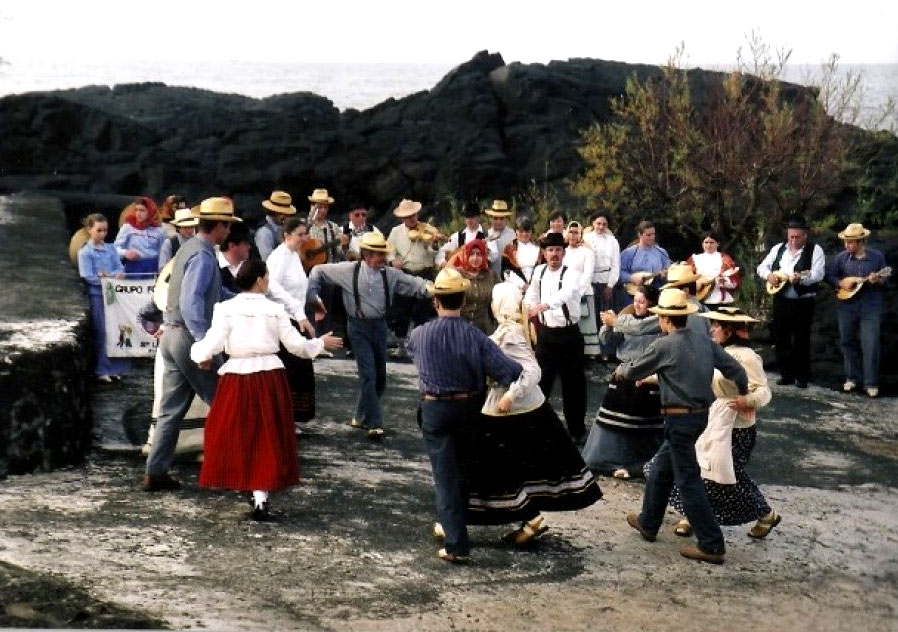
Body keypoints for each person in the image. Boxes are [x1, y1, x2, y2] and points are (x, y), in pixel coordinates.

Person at [189, 259, 341, 520]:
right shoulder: (274, 309)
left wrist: (200, 354)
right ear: (259, 279)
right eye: (267, 277)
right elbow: (296, 347)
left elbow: (211, 343)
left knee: (235, 432)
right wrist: (320, 343)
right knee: (267, 435)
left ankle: (248, 484)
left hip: (237, 376)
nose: (268, 281)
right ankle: (261, 494)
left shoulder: (225, 308)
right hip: (269, 375)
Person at [460, 283, 602, 545]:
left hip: (509, 408)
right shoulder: (510, 330)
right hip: (518, 408)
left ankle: (456, 520)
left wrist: (510, 395)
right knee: (514, 466)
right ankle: (529, 519)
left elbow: (533, 371)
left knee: (486, 465)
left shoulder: (511, 333)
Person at [616, 288, 748, 565]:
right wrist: (743, 394)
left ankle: (712, 544)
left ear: (664, 319)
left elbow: (633, 371)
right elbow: (736, 371)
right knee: (662, 468)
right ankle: (648, 522)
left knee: (688, 481)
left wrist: (621, 370)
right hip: (699, 416)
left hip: (678, 420)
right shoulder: (703, 341)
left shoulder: (665, 345)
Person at [406, 268, 523, 563]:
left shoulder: (418, 335)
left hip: (434, 407)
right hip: (469, 407)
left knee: (445, 476)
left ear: (436, 301)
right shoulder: (476, 337)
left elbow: (413, 353)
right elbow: (509, 371)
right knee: (460, 472)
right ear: (463, 299)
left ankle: (456, 543)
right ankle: (456, 529)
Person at [647, 306, 779, 540]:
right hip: (711, 417)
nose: (712, 330)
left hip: (735, 427)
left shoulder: (746, 357)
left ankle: (765, 513)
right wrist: (649, 378)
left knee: (727, 476)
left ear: (728, 331)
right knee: (700, 469)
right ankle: (691, 516)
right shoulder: (711, 351)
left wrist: (746, 399)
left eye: (716, 326)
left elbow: (763, 391)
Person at [143, 197, 241, 492]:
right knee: (227, 401)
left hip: (171, 335)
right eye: (228, 226)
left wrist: (245, 298)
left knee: (170, 410)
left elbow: (210, 292)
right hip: (188, 336)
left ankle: (156, 471)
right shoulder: (203, 255)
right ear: (220, 226)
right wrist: (204, 344)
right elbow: (191, 301)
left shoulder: (187, 249)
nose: (229, 234)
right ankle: (235, 470)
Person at [307, 231, 432, 440]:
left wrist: (432, 288)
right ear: (365, 254)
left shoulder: (389, 274)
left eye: (382, 253)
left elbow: (412, 283)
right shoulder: (348, 271)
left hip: (379, 326)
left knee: (380, 379)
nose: (381, 258)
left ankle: (359, 416)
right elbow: (318, 270)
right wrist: (313, 295)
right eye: (377, 254)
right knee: (368, 374)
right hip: (357, 327)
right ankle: (375, 423)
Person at [581, 286, 662, 477]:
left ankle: (640, 463)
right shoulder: (626, 319)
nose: (637, 304)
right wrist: (608, 326)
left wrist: (616, 321)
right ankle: (607, 460)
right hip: (623, 374)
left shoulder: (655, 323)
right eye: (635, 300)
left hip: (646, 376)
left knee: (644, 424)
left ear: (650, 302)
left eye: (642, 301)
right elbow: (608, 340)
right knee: (612, 421)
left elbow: (639, 330)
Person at [524, 232, 586, 442]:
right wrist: (531, 307)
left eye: (558, 250)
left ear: (563, 252)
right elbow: (531, 294)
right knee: (541, 383)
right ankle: (537, 428)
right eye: (550, 250)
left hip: (569, 336)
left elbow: (566, 293)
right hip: (547, 335)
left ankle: (577, 431)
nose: (554, 254)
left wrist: (545, 304)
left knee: (573, 387)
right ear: (544, 252)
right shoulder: (539, 271)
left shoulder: (571, 273)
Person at [756, 215, 825, 388]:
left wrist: (801, 279)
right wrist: (769, 275)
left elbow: (818, 274)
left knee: (802, 339)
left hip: (803, 301)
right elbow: (761, 267)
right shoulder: (779, 248)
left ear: (805, 236)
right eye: (791, 237)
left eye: (797, 237)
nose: (793, 241)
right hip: (781, 299)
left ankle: (802, 377)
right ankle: (786, 374)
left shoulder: (815, 250)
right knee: (781, 337)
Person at [266, 217, 321, 426]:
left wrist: (315, 302)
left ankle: (291, 418)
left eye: (305, 234)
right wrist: (298, 313)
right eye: (299, 235)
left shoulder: (293, 256)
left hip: (297, 318)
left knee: (301, 371)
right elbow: (272, 288)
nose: (304, 238)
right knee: (292, 371)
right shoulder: (278, 256)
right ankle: (284, 418)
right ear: (286, 236)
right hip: (284, 321)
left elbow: (299, 285)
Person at [826, 222, 889, 398]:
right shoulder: (841, 258)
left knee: (870, 343)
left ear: (861, 241)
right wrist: (840, 283)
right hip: (846, 306)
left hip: (870, 306)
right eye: (845, 242)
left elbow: (886, 281)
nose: (847, 245)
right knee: (847, 341)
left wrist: (878, 280)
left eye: (851, 242)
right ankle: (852, 378)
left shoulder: (877, 258)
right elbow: (829, 275)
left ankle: (870, 383)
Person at [77, 213, 128, 383]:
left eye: (105, 230)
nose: (103, 234)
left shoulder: (111, 248)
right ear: (89, 230)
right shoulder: (85, 252)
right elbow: (88, 276)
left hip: (113, 294)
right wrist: (106, 278)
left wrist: (107, 276)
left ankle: (115, 367)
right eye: (99, 230)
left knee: (116, 331)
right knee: (101, 332)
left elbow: (121, 269)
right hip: (97, 295)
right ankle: (101, 368)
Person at [386, 199, 440, 349]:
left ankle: (419, 344)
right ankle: (401, 345)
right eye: (408, 216)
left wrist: (434, 243)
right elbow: (389, 251)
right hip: (405, 272)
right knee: (401, 309)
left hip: (425, 272)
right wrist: (393, 261)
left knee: (422, 311)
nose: (412, 219)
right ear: (402, 218)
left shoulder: (428, 229)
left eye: (414, 215)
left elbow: (433, 253)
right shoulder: (395, 232)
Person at [563, 221, 599, 357]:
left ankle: (589, 352)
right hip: (566, 293)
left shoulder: (587, 252)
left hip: (583, 292)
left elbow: (588, 275)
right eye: (571, 232)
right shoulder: (562, 251)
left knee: (585, 323)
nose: (573, 235)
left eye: (576, 232)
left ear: (580, 234)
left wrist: (578, 293)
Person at [449, 239, 498, 335]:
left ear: (484, 256)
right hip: (460, 327)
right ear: (466, 255)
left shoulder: (491, 275)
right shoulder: (457, 274)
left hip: (484, 329)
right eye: (471, 254)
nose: (475, 258)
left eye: (479, 254)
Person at [618, 220, 671, 303]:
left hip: (655, 292)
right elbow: (619, 272)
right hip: (634, 294)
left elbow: (668, 269)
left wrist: (665, 274)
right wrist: (631, 278)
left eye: (653, 234)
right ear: (640, 234)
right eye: (648, 235)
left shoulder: (661, 252)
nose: (652, 237)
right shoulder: (629, 253)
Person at [687, 232, 740, 308]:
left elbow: (735, 282)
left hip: (719, 299)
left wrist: (724, 281)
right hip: (700, 299)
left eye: (712, 242)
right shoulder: (694, 259)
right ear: (702, 244)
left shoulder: (725, 260)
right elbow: (686, 279)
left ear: (717, 244)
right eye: (706, 242)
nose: (708, 245)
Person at [114, 197, 166, 274]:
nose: (138, 213)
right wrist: (125, 253)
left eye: (142, 210)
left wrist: (162, 270)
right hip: (133, 267)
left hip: (152, 267)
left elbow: (162, 252)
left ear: (150, 211)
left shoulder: (159, 231)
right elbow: (114, 248)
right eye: (136, 210)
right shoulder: (128, 227)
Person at [583, 211, 620, 317]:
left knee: (606, 314)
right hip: (590, 281)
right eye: (598, 223)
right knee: (592, 314)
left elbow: (615, 265)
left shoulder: (613, 241)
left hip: (606, 282)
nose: (601, 227)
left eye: (604, 224)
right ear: (593, 223)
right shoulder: (585, 239)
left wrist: (610, 286)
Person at [435, 201, 487, 268]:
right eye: (467, 217)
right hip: (460, 275)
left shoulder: (487, 235)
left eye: (472, 217)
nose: (469, 220)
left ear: (478, 217)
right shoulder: (457, 236)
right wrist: (444, 264)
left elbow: (494, 256)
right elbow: (440, 252)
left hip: (481, 275)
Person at [500, 215, 541, 293]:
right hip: (515, 286)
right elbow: (506, 272)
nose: (524, 234)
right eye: (521, 231)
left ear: (531, 232)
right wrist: (523, 285)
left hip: (536, 286)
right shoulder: (509, 249)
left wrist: (533, 286)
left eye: (527, 231)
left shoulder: (539, 248)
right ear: (516, 231)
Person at [307, 188, 346, 264]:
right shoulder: (303, 225)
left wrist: (344, 246)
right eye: (320, 207)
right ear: (312, 206)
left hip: (329, 268)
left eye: (325, 207)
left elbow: (340, 253)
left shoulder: (334, 227)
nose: (323, 210)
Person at [256, 191, 296, 261]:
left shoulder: (285, 227)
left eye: (288, 214)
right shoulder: (264, 232)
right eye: (284, 214)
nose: (287, 217)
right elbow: (267, 260)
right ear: (274, 212)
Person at [218, 224, 253, 293]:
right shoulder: (214, 267)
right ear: (232, 246)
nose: (249, 247)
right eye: (245, 244)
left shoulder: (250, 266)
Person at [484, 199, 515, 276]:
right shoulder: (485, 234)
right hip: (490, 278)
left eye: (501, 219)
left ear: (506, 219)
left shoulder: (513, 235)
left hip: (509, 278)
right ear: (491, 219)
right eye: (495, 218)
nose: (498, 222)